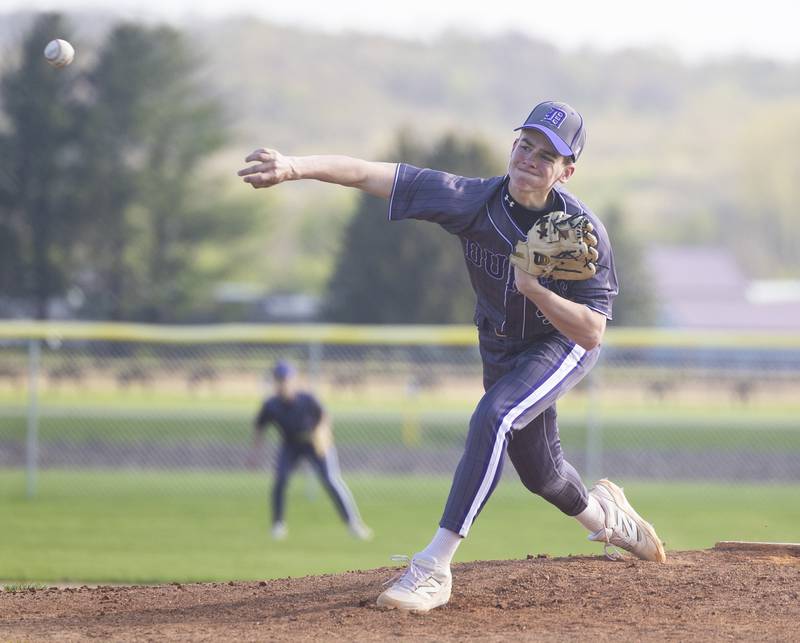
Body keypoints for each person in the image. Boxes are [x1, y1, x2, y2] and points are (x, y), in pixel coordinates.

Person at [238, 100, 665, 612]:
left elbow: (592, 332)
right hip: (501, 345)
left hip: (560, 343)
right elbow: (373, 174)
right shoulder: (474, 201)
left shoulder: (576, 227)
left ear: (566, 171)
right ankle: (607, 517)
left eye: (547, 155)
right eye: (526, 145)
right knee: (542, 475)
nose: (530, 159)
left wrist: (534, 289)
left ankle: (434, 567)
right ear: (514, 146)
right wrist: (294, 166)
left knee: (494, 416)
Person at [250, 360, 372, 541]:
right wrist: (254, 453)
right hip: (291, 445)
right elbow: (259, 427)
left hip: (314, 443)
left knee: (331, 480)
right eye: (279, 380)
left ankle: (353, 523)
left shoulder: (306, 399)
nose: (283, 384)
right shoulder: (271, 405)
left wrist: (322, 433)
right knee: (280, 479)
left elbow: (324, 416)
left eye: (286, 379)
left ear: (293, 380)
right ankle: (278, 524)